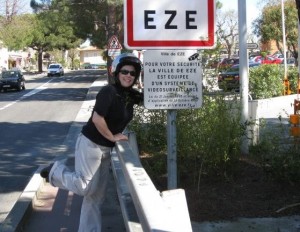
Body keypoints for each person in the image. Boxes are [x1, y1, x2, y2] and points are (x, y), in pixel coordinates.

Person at [40, 53, 143, 232]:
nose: (128, 75)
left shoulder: (129, 95)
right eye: (125, 71)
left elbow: (153, 99)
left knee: (95, 197)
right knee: (85, 187)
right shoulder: (108, 92)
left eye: (132, 73)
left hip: (105, 149)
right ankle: (55, 172)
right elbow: (97, 118)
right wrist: (112, 137)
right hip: (91, 143)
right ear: (117, 72)